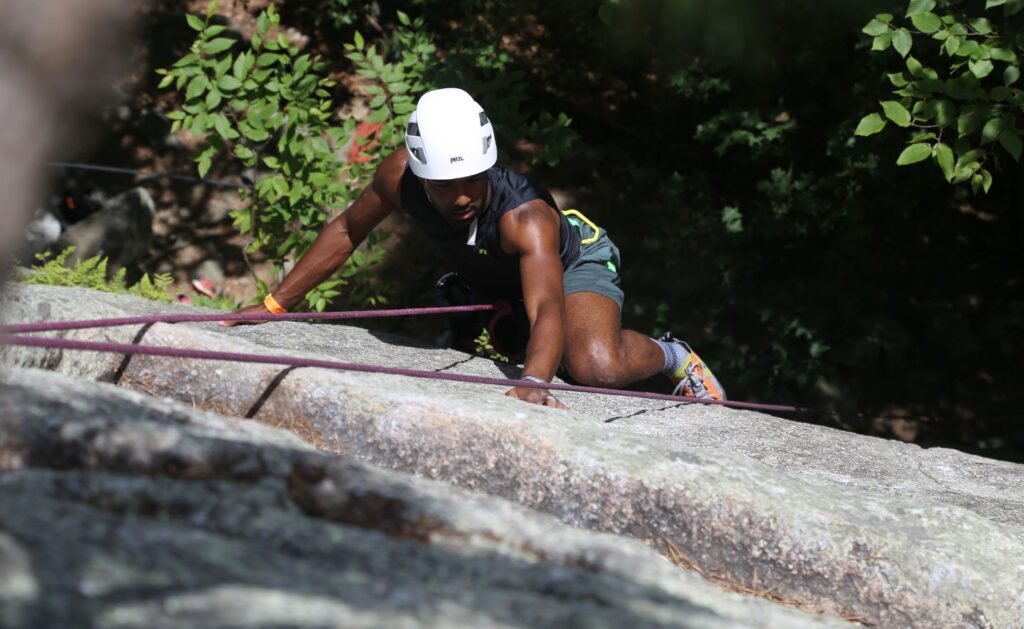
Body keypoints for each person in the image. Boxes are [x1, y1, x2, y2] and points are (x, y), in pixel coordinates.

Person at [223, 88, 726, 409]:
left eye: (471, 181)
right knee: (510, 340)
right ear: (421, 172)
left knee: (593, 365)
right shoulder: (399, 176)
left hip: (572, 261)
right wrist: (273, 306)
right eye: (444, 185)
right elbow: (346, 231)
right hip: (496, 271)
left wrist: (535, 381)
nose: (461, 195)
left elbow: (548, 302)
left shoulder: (523, 219)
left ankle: (671, 354)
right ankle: (496, 317)